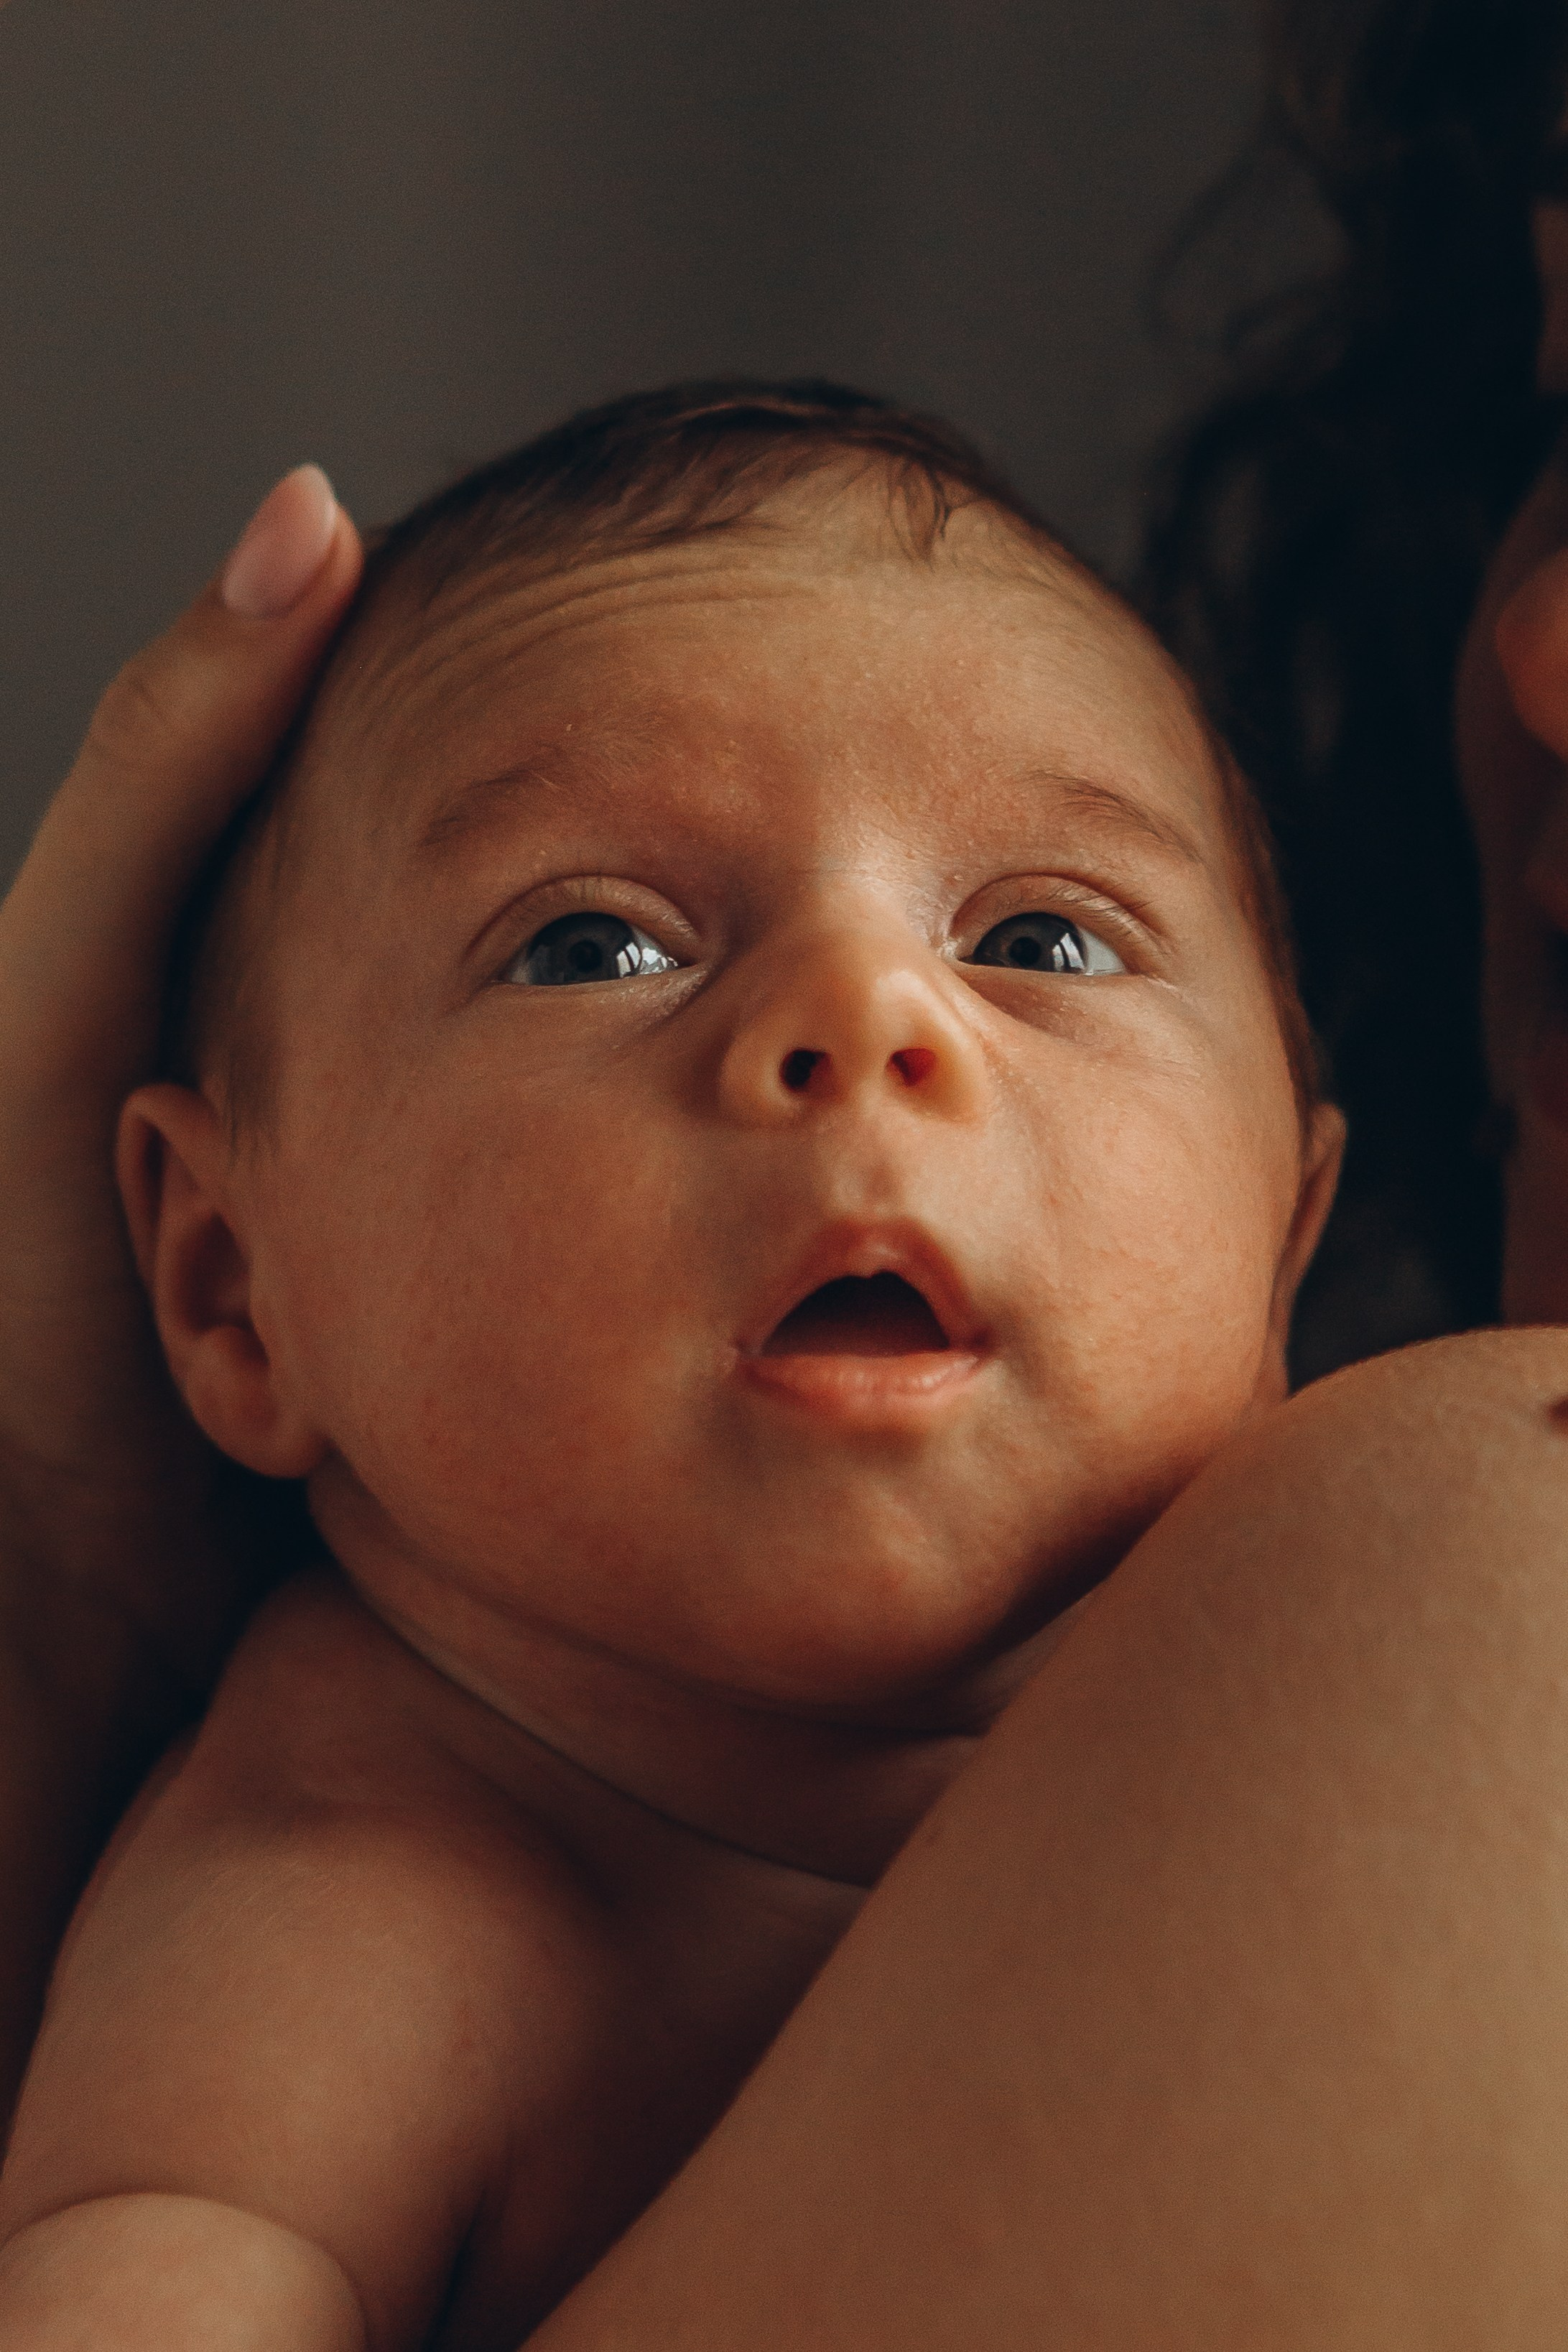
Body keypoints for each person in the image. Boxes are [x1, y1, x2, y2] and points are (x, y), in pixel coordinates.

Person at [3, 5, 1568, 2343]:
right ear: (232, 1285)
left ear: (1287, 1240)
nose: (867, 1022)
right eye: (593, 939)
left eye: (1044, 933)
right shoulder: (369, 1870)